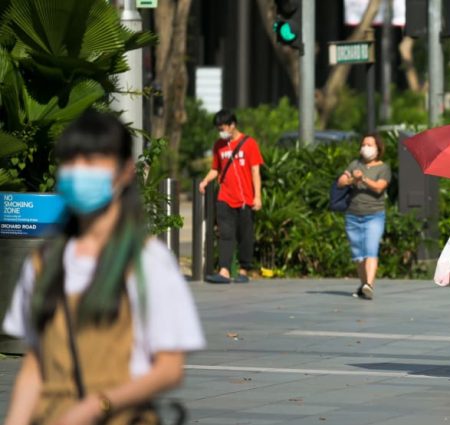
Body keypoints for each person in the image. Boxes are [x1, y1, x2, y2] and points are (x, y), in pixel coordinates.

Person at [3, 111, 205, 425]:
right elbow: (35, 364)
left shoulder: (147, 262)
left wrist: (98, 406)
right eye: (71, 162)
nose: (79, 172)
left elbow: (169, 369)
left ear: (125, 172)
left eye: (93, 162)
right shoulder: (43, 261)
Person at [198, 110, 264, 284]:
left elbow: (255, 171)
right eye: (218, 128)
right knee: (225, 234)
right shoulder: (219, 145)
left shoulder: (249, 144)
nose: (221, 131)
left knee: (245, 236)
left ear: (232, 125)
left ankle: (243, 270)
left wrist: (257, 196)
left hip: (245, 199)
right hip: (225, 197)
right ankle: (224, 271)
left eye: (223, 127)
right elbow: (215, 169)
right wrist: (205, 181)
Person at [337, 134, 391, 300]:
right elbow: (340, 182)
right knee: (358, 254)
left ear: (377, 148)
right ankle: (363, 285)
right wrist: (352, 179)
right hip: (353, 215)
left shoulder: (383, 168)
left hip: (374, 215)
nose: (365, 147)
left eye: (369, 144)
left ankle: (369, 284)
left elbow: (379, 188)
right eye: (363, 144)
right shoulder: (355, 164)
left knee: (370, 249)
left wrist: (364, 179)